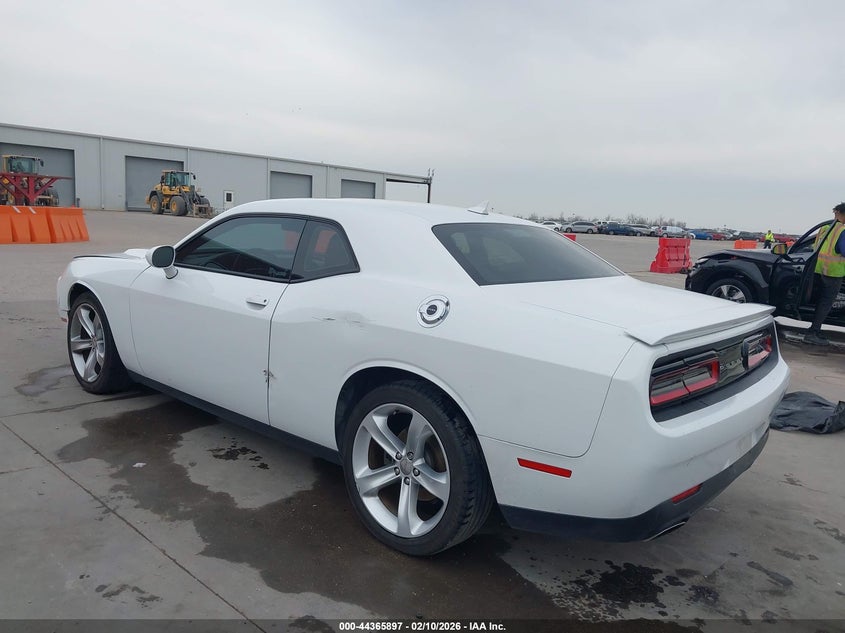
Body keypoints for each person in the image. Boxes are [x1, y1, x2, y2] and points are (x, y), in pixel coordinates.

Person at [804, 203, 845, 346]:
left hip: (818, 270)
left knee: (820, 301)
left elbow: (814, 247)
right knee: (825, 303)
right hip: (833, 273)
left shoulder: (825, 228)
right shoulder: (842, 230)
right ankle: (813, 332)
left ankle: (815, 329)